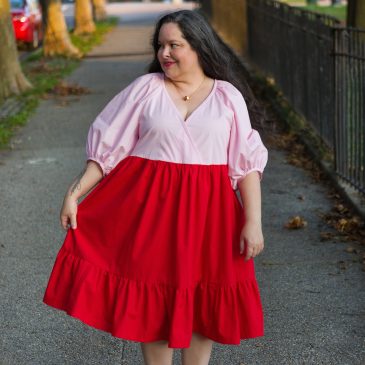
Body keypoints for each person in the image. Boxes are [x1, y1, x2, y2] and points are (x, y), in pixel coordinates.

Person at [42, 9, 269, 365]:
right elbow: (108, 150)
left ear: (198, 47)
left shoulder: (227, 97)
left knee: (201, 301)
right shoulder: (146, 90)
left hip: (211, 218)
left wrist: (252, 221)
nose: (164, 53)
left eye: (173, 45)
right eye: (160, 45)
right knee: (155, 302)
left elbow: (246, 167)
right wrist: (75, 193)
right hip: (151, 215)